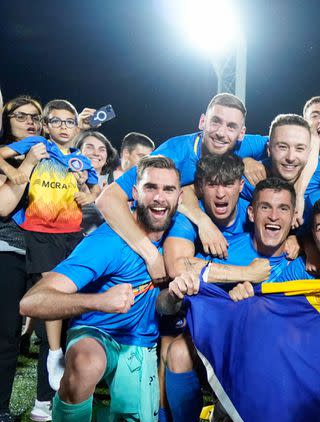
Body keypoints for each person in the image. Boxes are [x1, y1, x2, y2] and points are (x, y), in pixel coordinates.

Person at [18, 155, 182, 422]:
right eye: (150, 187)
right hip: (98, 331)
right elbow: (32, 301)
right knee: (86, 361)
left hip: (140, 342)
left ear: (180, 197)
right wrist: (100, 300)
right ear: (134, 192)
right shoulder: (108, 242)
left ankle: (90, 415)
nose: (159, 197)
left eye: (168, 189)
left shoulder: (180, 239)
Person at [159, 177, 295, 422]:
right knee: (179, 352)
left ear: (294, 217)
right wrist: (240, 277)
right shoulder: (227, 248)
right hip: (227, 354)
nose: (274, 216)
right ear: (251, 213)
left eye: (283, 209)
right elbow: (172, 290)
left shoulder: (305, 258)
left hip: (278, 363)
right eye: (265, 207)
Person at [96, 93, 269, 282]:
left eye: (231, 126)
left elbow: (299, 143)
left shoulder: (245, 145)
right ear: (202, 121)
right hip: (145, 240)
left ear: (241, 133)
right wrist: (151, 255)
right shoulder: (174, 154)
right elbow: (107, 199)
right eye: (215, 121)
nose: (221, 132)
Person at [0, 99, 100, 395]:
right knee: (51, 292)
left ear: (75, 126)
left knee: (67, 297)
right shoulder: (36, 144)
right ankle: (55, 353)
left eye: (69, 122)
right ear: (46, 125)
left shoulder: (80, 158)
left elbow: (95, 188)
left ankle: (61, 358)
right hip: (39, 232)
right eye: (55, 121)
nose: (63, 127)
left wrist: (89, 196)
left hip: (72, 234)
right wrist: (17, 169)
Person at [0, 95, 49, 422]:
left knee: (45, 334)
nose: (30, 121)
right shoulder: (7, 155)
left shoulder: (46, 152)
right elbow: (4, 206)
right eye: (21, 116)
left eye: (36, 116)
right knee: (6, 336)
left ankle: (47, 401)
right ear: (7, 119)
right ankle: (2, 413)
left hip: (42, 252)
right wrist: (28, 161)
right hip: (9, 249)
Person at [74, 130, 119, 235]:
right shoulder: (67, 178)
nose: (96, 153)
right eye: (89, 147)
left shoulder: (114, 182)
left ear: (107, 158)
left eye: (102, 149)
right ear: (77, 151)